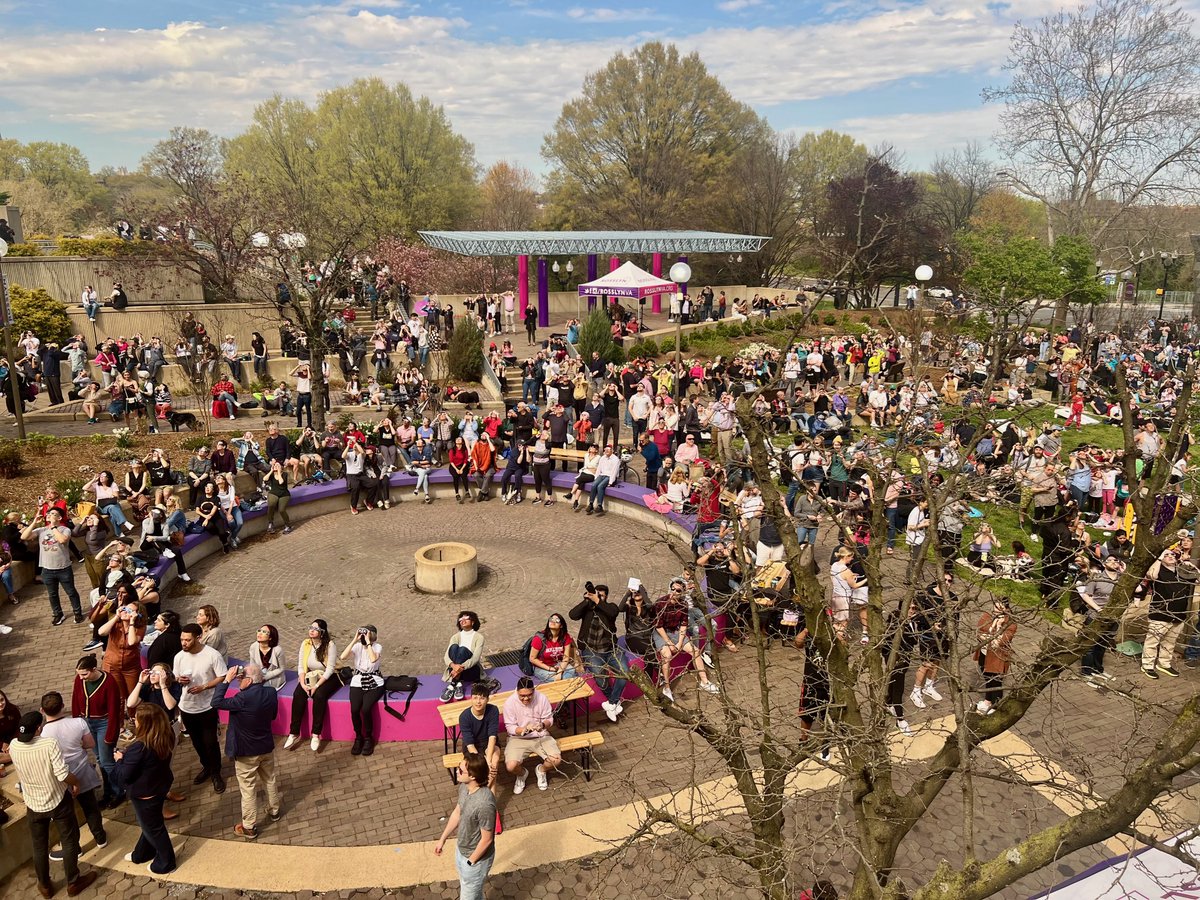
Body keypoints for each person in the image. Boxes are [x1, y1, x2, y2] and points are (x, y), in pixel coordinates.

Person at [9, 710, 99, 898]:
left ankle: (44, 886)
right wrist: (75, 783)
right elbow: (62, 774)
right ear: (39, 728)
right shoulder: (48, 744)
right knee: (69, 839)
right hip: (57, 800)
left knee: (39, 845)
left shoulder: (14, 745)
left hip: (33, 802)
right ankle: (73, 881)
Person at [212, 663, 282, 839]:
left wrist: (226, 680)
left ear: (249, 680)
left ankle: (249, 826)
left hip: (246, 753)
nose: (238, 680)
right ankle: (274, 811)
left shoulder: (241, 699)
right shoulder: (271, 693)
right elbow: (273, 716)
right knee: (270, 779)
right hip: (265, 747)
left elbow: (216, 702)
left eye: (241, 678)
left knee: (248, 789)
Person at [40, 691, 107, 854]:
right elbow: (90, 743)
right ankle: (100, 838)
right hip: (82, 770)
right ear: (63, 706)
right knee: (90, 806)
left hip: (62, 777)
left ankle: (75, 848)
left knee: (68, 815)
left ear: (42, 710)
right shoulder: (79, 723)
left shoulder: (43, 734)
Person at [115, 704, 177, 875]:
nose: (133, 721)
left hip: (145, 794)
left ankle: (166, 862)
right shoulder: (166, 735)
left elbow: (123, 776)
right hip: (159, 787)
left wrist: (120, 759)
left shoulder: (139, 747)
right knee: (150, 825)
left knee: (154, 828)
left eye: (136, 719)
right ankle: (142, 853)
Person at [173, 623, 229, 793]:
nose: (183, 643)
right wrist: (179, 680)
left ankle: (216, 773)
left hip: (207, 706)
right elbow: (176, 675)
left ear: (198, 638)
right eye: (182, 639)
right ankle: (206, 766)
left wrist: (204, 687)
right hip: (186, 706)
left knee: (210, 742)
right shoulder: (179, 656)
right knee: (197, 742)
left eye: (187, 640)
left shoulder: (212, 655)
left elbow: (222, 676)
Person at [434, 752, 497, 900]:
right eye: (458, 767)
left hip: (476, 860)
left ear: (473, 776)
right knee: (473, 893)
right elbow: (457, 812)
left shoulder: (484, 804)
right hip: (461, 851)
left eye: (461, 770)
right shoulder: (464, 787)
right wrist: (442, 839)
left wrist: (471, 862)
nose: (457, 771)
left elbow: (487, 840)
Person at [71, 654, 125, 810]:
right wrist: (76, 724)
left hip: (103, 723)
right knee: (100, 759)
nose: (81, 678)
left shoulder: (109, 682)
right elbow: (75, 700)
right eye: (79, 674)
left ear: (94, 669)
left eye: (84, 674)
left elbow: (114, 711)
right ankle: (108, 792)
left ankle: (119, 791)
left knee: (107, 761)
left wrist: (110, 735)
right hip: (87, 723)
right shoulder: (79, 680)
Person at [570, 582, 627, 722]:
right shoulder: (588, 608)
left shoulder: (610, 607)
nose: (598, 596)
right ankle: (613, 703)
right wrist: (586, 601)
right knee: (600, 677)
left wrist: (598, 601)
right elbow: (572, 615)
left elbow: (613, 612)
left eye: (601, 594)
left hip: (610, 649)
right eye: (596, 593)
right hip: (591, 650)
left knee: (625, 673)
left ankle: (611, 703)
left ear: (606, 596)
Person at [23, 507, 85, 626]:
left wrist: (53, 527)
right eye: (48, 513)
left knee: (71, 592)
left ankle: (77, 612)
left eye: (53, 514)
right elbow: (24, 537)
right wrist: (34, 522)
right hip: (47, 569)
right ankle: (58, 614)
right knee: (52, 594)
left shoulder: (65, 529)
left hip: (63, 568)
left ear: (59, 518)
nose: (49, 515)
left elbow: (62, 540)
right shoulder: (41, 530)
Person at [284, 619, 339, 752]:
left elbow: (330, 669)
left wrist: (316, 686)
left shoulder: (330, 645)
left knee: (319, 695)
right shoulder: (306, 643)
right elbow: (301, 666)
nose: (311, 630)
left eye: (315, 629)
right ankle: (294, 732)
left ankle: (316, 734)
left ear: (322, 632)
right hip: (310, 675)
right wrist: (302, 683)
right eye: (310, 627)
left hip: (327, 677)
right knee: (298, 694)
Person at [1141, 548, 1196, 679]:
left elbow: (1198, 579)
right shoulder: (1159, 570)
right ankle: (1147, 665)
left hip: (1178, 615)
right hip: (1160, 614)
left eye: (1172, 554)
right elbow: (1151, 575)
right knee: (1152, 642)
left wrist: (1193, 567)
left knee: (1170, 642)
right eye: (1167, 555)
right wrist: (1159, 557)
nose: (1170, 556)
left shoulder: (1182, 572)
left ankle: (1164, 664)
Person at [502, 677, 560, 794]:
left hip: (541, 736)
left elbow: (549, 719)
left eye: (529, 695)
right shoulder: (510, 702)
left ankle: (541, 770)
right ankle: (522, 774)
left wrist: (543, 725)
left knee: (556, 760)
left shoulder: (542, 698)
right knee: (511, 766)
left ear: (533, 690)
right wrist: (522, 730)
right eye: (522, 696)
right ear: (517, 692)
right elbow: (510, 727)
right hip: (518, 738)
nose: (526, 698)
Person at [339, 625, 383, 756]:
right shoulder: (357, 647)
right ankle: (358, 737)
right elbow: (342, 657)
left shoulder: (377, 647)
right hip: (358, 680)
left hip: (374, 681)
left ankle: (369, 737)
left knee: (366, 709)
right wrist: (354, 639)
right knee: (354, 709)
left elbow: (373, 659)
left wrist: (368, 643)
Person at [973, 599, 1017, 714]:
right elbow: (979, 630)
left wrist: (998, 627)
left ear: (1006, 609)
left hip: (998, 656)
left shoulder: (1010, 623)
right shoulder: (987, 616)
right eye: (995, 607)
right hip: (985, 653)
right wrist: (986, 637)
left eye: (999, 608)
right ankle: (988, 701)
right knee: (987, 676)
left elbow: (1001, 641)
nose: (996, 611)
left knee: (996, 680)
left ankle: (996, 706)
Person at [458, 684, 500, 790]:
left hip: (489, 743)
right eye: (475, 697)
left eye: (482, 698)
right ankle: (484, 793)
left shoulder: (493, 710)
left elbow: (492, 737)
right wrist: (483, 763)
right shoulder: (464, 716)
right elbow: (469, 743)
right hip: (473, 747)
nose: (478, 701)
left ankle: (489, 797)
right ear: (471, 699)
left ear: (487, 699)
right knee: (479, 768)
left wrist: (488, 762)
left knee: (494, 764)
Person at [441, 611, 485, 702]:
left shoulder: (479, 637)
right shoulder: (455, 637)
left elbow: (475, 658)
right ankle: (458, 684)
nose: (463, 621)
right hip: (455, 670)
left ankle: (453, 684)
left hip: (471, 671)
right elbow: (446, 656)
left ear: (473, 622)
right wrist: (454, 667)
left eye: (466, 618)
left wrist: (460, 669)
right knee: (454, 647)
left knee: (462, 650)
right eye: (461, 619)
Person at [527, 613, 580, 683]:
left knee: (572, 670)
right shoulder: (539, 638)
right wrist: (550, 669)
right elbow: (532, 659)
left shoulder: (565, 637)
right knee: (563, 677)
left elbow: (566, 658)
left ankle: (562, 683)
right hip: (542, 667)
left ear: (561, 626)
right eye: (551, 619)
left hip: (558, 664)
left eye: (557, 620)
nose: (553, 622)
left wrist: (560, 672)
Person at [250, 624, 286, 690]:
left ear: (270, 637)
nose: (260, 633)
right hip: (258, 676)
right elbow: (252, 665)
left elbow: (282, 668)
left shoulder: (278, 650)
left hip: (273, 678)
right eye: (259, 631)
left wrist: (267, 676)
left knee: (262, 691)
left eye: (264, 632)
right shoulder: (253, 647)